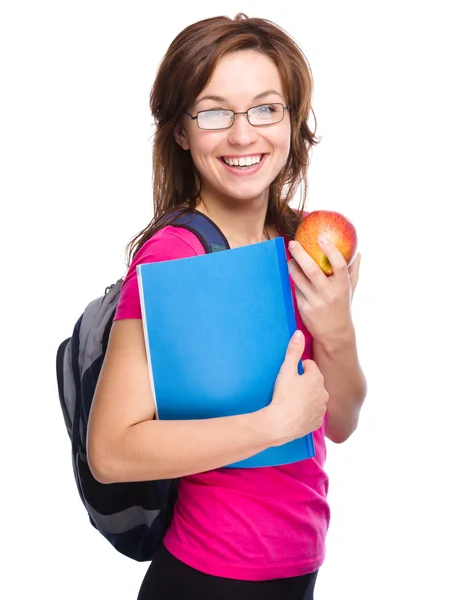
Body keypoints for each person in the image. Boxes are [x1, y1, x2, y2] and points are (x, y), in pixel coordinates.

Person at [87, 13, 367, 600]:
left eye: (266, 108)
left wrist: (336, 329)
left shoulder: (305, 246)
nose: (244, 136)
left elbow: (338, 421)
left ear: (293, 121)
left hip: (297, 570)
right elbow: (110, 451)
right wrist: (269, 426)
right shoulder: (174, 258)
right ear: (183, 131)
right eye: (215, 112)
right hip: (208, 579)